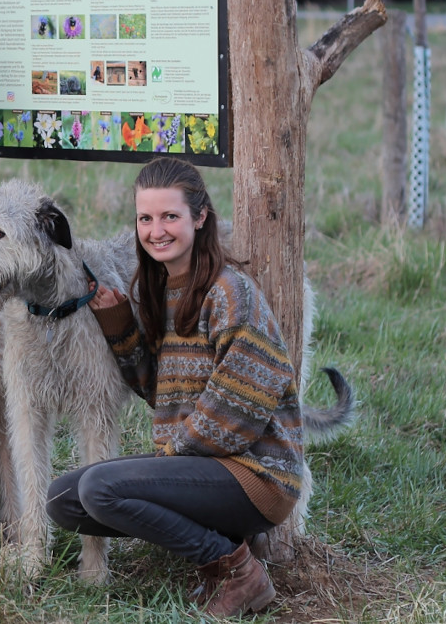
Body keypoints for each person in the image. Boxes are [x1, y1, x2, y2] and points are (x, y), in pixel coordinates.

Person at [46, 157, 304, 618]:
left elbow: (237, 412)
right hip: (199, 466)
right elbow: (157, 391)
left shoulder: (231, 292)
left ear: (199, 218)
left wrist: (163, 463)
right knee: (65, 499)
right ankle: (223, 544)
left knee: (102, 488)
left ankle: (237, 571)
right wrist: (119, 324)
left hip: (257, 476)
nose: (156, 230)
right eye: (145, 218)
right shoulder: (158, 289)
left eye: (170, 216)